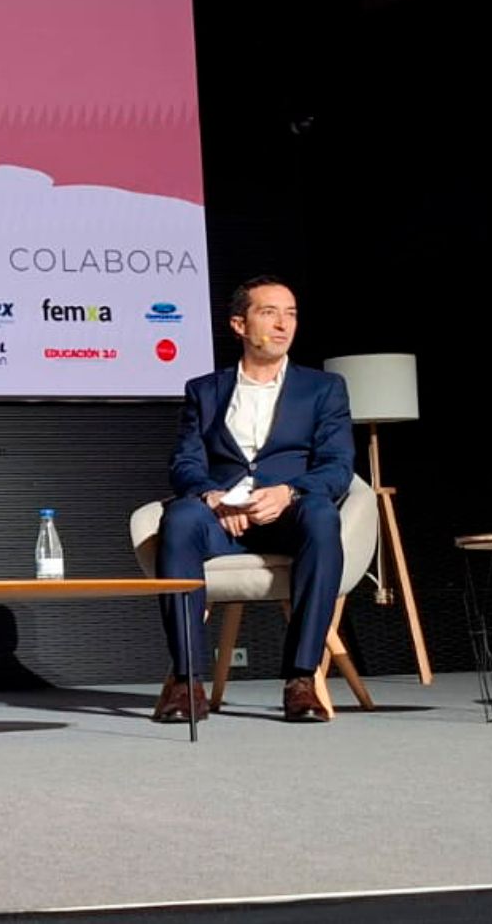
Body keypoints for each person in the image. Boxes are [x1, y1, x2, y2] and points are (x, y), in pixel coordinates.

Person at [158, 275, 355, 723]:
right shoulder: (204, 390)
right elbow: (184, 463)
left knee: (322, 515)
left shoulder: (323, 389)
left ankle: (301, 680)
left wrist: (290, 492)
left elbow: (337, 466)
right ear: (239, 325)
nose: (284, 324)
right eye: (269, 313)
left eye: (291, 314)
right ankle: (187, 683)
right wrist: (213, 497)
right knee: (181, 519)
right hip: (223, 521)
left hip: (288, 516)